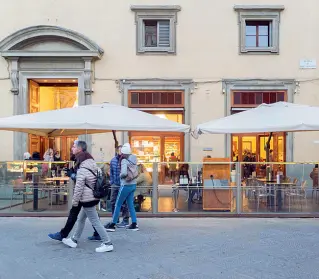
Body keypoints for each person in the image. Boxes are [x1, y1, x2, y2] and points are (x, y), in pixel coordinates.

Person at [61, 140, 113, 253]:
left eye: (74, 147)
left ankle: (107, 243)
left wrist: (74, 202)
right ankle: (74, 240)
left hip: (87, 199)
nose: (72, 149)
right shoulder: (93, 165)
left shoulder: (82, 170)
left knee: (95, 221)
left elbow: (78, 188)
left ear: (79, 152)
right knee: (81, 219)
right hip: (91, 197)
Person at [48, 140, 101, 242]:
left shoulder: (83, 159)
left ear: (79, 149)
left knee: (78, 214)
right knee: (85, 215)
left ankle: (106, 240)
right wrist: (72, 173)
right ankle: (69, 236)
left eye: (74, 146)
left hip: (84, 193)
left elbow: (82, 178)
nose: (72, 148)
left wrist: (72, 175)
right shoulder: (83, 158)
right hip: (85, 193)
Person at [106, 143, 139, 232]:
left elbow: (124, 173)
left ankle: (112, 224)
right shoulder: (134, 158)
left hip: (125, 185)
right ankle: (134, 224)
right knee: (130, 204)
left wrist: (120, 175)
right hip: (133, 184)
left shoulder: (124, 160)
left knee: (117, 204)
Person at [104, 145, 130, 229]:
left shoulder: (125, 160)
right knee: (113, 201)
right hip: (115, 184)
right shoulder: (113, 160)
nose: (120, 151)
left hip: (123, 184)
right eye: (119, 150)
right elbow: (111, 171)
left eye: (121, 150)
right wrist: (112, 182)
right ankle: (115, 219)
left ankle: (125, 220)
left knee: (124, 202)